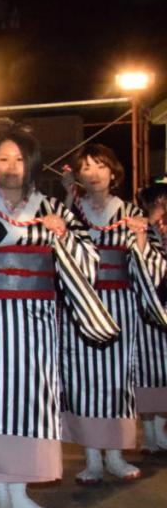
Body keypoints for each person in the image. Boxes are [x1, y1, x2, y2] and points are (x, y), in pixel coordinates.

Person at [0, 120, 117, 508]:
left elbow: (88, 257)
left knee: (32, 402)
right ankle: (1, 496)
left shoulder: (52, 209)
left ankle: (22, 494)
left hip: (37, 321)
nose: (11, 166)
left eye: (18, 159)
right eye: (3, 159)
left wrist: (63, 236)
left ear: (31, 164)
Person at [60, 144, 167, 483]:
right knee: (83, 381)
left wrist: (140, 239)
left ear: (113, 172)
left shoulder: (130, 212)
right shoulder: (72, 212)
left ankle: (116, 455)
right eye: (86, 167)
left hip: (120, 303)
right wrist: (66, 202)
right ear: (78, 175)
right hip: (84, 304)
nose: (93, 173)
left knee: (118, 381)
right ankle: (92, 458)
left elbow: (152, 267)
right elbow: (58, 253)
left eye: (100, 166)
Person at [136, 181, 167, 452]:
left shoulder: (163, 232)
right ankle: (149, 435)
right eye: (157, 201)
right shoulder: (138, 227)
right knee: (148, 375)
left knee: (163, 374)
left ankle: (159, 432)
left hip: (163, 309)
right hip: (145, 310)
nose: (161, 206)